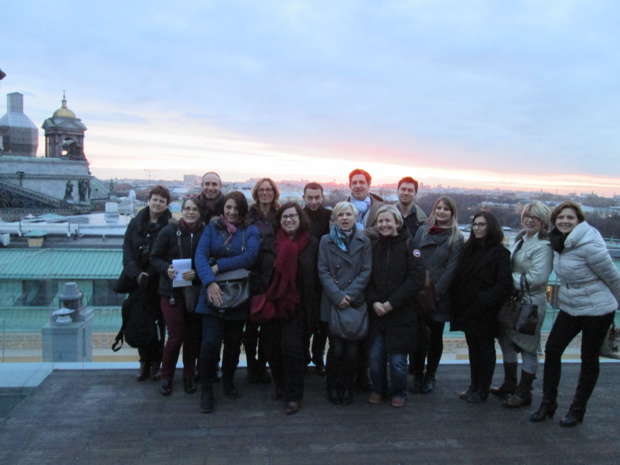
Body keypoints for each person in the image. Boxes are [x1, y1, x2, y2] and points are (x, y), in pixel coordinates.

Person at [530, 202, 620, 426]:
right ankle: (548, 403)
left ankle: (577, 409)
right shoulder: (558, 242)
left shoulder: (589, 245)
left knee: (588, 358)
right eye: (560, 218)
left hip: (598, 309)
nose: (564, 221)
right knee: (552, 350)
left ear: (579, 220)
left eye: (570, 218)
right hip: (571, 306)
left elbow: (613, 277)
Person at [195, 191, 260, 413]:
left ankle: (228, 380)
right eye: (228, 207)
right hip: (212, 294)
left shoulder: (249, 231)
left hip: (237, 295)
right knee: (210, 344)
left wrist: (219, 266)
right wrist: (209, 282)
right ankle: (207, 388)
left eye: (236, 208)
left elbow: (250, 257)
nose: (231, 212)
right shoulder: (212, 228)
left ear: (243, 211)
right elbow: (200, 257)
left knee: (233, 344)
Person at [257, 202, 319, 415]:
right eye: (284, 217)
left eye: (293, 216)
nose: (289, 220)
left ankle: (294, 396)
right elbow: (258, 269)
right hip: (272, 304)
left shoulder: (312, 244)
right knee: (271, 348)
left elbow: (317, 277)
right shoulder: (269, 242)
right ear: (279, 220)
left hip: (298, 307)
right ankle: (280, 384)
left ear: (300, 218)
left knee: (292, 351)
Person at [492, 202, 553, 408]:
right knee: (506, 341)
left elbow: (536, 278)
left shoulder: (544, 247)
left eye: (534, 217)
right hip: (513, 301)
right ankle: (510, 384)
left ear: (543, 221)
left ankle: (524, 391)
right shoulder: (520, 240)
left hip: (531, 304)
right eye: (526, 216)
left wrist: (504, 277)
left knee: (528, 348)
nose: (529, 220)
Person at [450, 211, 512, 403]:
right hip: (468, 309)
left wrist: (483, 300)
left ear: (490, 227)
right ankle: (473, 385)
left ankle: (482, 388)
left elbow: (504, 285)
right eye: (475, 224)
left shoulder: (500, 253)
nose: (477, 227)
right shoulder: (469, 249)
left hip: (486, 311)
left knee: (485, 350)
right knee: (473, 349)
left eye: (482, 224)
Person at [367, 205, 425, 408]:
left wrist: (392, 303)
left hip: (401, 314)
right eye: (380, 221)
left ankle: (399, 391)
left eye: (387, 220)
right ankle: (378, 388)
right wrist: (374, 301)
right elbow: (368, 279)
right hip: (378, 314)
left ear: (397, 223)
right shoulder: (374, 246)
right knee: (375, 358)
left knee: (398, 361)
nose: (383, 224)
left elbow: (416, 279)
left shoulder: (410, 245)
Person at [318, 201, 372, 406]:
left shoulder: (364, 241)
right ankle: (333, 386)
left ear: (355, 217)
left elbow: (366, 270)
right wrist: (338, 296)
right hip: (333, 302)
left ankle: (348, 386)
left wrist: (348, 295)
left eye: (349, 214)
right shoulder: (326, 241)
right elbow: (323, 270)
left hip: (354, 302)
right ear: (335, 219)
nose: (345, 218)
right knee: (336, 349)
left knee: (351, 351)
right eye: (341, 215)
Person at [150, 197, 205, 396]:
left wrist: (197, 274)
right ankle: (166, 376)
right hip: (171, 292)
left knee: (192, 337)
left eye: (194, 209)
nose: (191, 212)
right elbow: (154, 257)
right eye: (187, 209)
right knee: (176, 336)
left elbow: (210, 259)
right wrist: (167, 269)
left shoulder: (205, 233)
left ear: (199, 212)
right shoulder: (169, 231)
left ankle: (189, 375)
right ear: (181, 211)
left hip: (194, 291)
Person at [117, 185, 172, 382]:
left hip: (158, 285)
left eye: (162, 201)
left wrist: (148, 274)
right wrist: (136, 274)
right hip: (137, 284)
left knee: (157, 325)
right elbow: (127, 251)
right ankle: (144, 362)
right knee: (140, 322)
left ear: (167, 205)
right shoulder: (135, 223)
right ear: (148, 200)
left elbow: (166, 255)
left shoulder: (170, 226)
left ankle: (157, 362)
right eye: (155, 199)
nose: (157, 203)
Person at [410, 196, 464, 394]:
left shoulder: (457, 237)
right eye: (438, 208)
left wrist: (434, 294)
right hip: (418, 293)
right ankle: (417, 373)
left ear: (452, 213)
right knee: (418, 338)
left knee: (434, 338)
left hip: (439, 297)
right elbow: (413, 259)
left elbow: (452, 270)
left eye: (446, 209)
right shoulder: (422, 231)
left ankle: (430, 374)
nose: (441, 212)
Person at [244, 177, 280, 384]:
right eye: (262, 190)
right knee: (250, 326)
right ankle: (250, 365)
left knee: (268, 324)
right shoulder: (248, 216)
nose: (265, 193)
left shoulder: (280, 214)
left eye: (269, 190)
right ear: (256, 193)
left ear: (274, 193)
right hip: (251, 274)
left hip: (272, 275)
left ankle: (262, 365)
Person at [302, 182, 331, 375]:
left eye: (317, 197)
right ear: (304, 198)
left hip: (325, 277)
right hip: (303, 277)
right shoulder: (297, 215)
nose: (313, 201)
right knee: (304, 320)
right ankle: (304, 355)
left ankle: (318, 356)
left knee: (323, 322)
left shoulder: (330, 217)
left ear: (322, 197)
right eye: (310, 197)